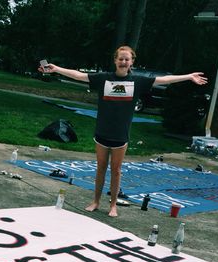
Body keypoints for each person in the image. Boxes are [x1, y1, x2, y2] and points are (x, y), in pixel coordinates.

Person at [40, 46, 208, 217]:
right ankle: (96, 201)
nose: (123, 62)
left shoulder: (138, 81)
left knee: (116, 170)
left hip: (120, 136)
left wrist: (189, 77)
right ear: (115, 60)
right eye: (121, 59)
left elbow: (164, 79)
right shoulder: (104, 78)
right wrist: (56, 69)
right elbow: (79, 75)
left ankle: (113, 205)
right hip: (102, 133)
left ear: (132, 62)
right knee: (100, 169)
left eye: (127, 59)